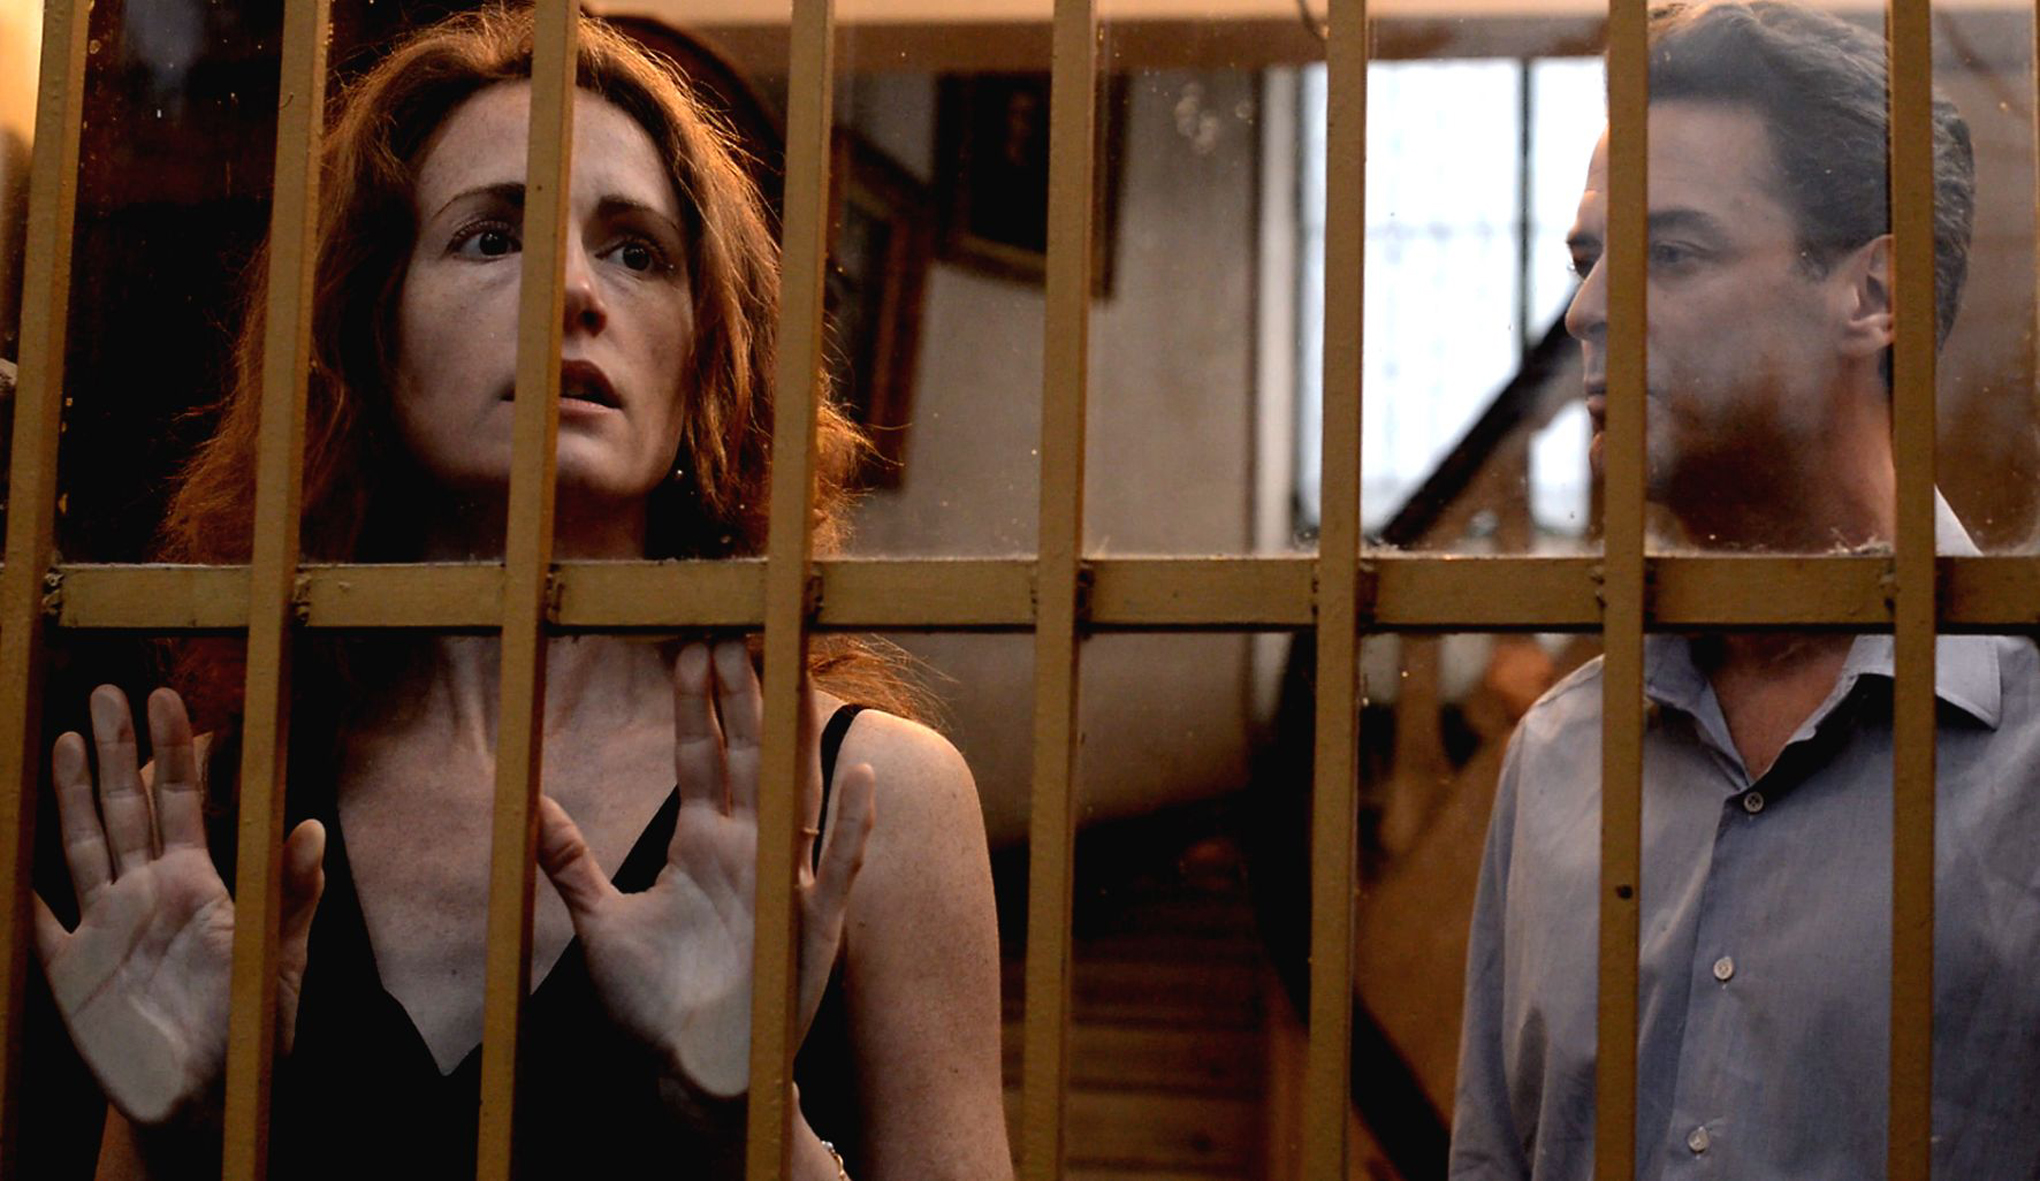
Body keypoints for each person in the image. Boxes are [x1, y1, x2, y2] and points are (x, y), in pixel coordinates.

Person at [29, 10, 1011, 1179]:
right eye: (492, 236)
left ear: (705, 352)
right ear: (372, 326)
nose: (574, 291)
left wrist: (746, 1119)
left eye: (638, 252)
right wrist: (188, 1127)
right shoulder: (209, 810)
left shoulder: (874, 799)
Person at [1450, 2, 2040, 1178]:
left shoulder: (2027, 760)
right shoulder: (1561, 759)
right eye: (1586, 258)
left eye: (1671, 253)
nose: (1587, 311)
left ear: (1872, 293)